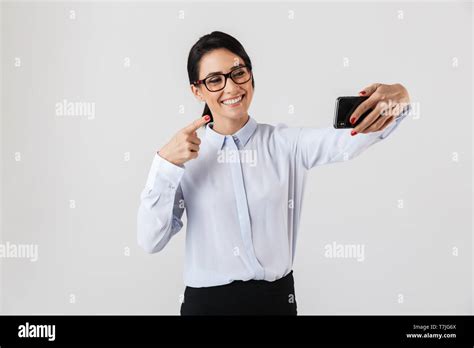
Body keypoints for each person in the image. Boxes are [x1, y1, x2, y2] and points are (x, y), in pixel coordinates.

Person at [137, 31, 411, 315]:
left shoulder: (286, 144)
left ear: (250, 75)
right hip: (206, 307)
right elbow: (150, 240)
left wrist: (399, 99)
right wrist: (164, 164)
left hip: (276, 303)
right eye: (215, 80)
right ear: (197, 90)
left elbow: (350, 141)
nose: (230, 88)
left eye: (238, 73)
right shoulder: (183, 157)